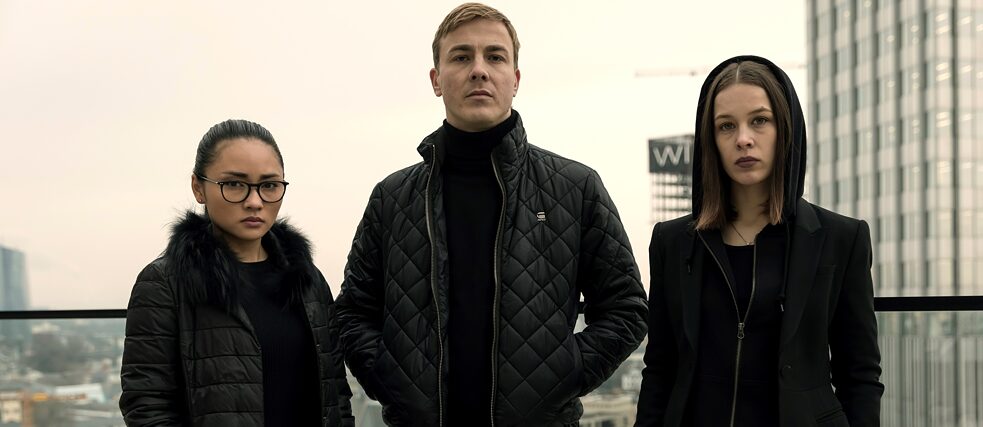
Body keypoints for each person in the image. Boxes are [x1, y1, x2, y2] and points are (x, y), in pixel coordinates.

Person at [334, 3, 648, 426]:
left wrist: (562, 373)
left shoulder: (575, 188)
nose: (479, 70)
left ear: (515, 79)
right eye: (461, 57)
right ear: (436, 80)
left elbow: (627, 309)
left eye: (495, 56)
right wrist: (390, 379)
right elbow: (352, 313)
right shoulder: (392, 198)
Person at [635, 55, 883, 427]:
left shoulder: (841, 239)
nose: (743, 139)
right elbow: (660, 369)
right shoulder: (673, 242)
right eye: (726, 126)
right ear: (711, 141)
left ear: (785, 128)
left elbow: (859, 375)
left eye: (759, 121)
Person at [119, 119, 353, 426]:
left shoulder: (307, 280)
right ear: (198, 187)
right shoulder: (164, 284)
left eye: (269, 185)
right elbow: (147, 406)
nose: (254, 202)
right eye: (234, 184)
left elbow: (335, 395)